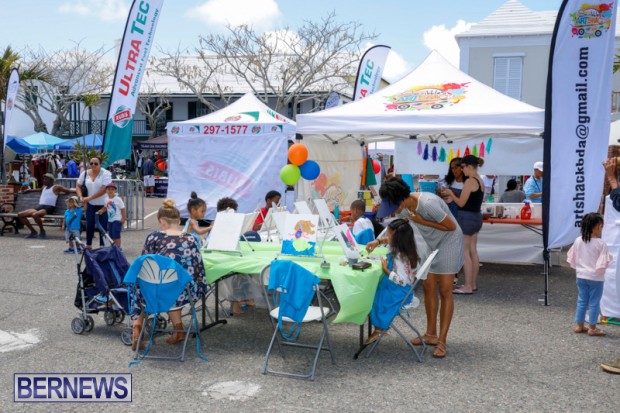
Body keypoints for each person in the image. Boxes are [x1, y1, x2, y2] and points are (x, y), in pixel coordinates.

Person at [367, 176, 464, 358]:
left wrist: (419, 219)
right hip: (430, 243)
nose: (394, 211)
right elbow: (400, 235)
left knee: (445, 290)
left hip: (449, 242)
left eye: (394, 206)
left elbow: (451, 227)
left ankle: (442, 341)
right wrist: (379, 241)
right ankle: (431, 334)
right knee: (428, 286)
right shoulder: (403, 208)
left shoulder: (427, 203)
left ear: (402, 199)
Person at [131, 199, 207, 350]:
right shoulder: (190, 239)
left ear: (161, 221)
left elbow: (143, 263)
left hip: (155, 289)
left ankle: (136, 328)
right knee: (176, 285)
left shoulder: (153, 238)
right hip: (182, 293)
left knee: (140, 286)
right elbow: (198, 268)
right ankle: (178, 330)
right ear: (178, 221)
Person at [365, 219, 420, 344]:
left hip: (400, 291)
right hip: (399, 288)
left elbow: (401, 281)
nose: (387, 237)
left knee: (376, 297)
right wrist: (378, 241)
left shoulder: (400, 257)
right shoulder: (405, 250)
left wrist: (386, 270)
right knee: (376, 291)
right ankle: (380, 326)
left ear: (397, 238)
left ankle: (379, 329)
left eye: (389, 235)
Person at [441, 155, 485, 295]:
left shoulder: (470, 181)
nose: (461, 170)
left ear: (469, 166)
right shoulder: (480, 180)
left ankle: (467, 286)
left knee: (465, 253)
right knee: (473, 251)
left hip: (467, 218)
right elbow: (470, 201)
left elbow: (461, 203)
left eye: (463, 167)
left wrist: (450, 193)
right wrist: (452, 197)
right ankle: (472, 284)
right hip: (476, 217)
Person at [566, 212, 612, 337]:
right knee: (594, 302)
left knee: (581, 301)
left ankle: (579, 326)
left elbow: (572, 257)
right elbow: (603, 262)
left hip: (581, 276)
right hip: (595, 278)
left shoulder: (578, 240)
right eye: (601, 227)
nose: (601, 229)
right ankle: (592, 328)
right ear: (597, 226)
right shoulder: (601, 243)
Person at [18, 173, 74, 239]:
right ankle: (33, 232)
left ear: (51, 180)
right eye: (44, 179)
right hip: (40, 207)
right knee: (20, 215)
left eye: (46, 179)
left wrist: (61, 193)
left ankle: (42, 231)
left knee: (35, 215)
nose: (44, 180)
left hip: (49, 208)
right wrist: (29, 190)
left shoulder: (56, 187)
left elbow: (68, 191)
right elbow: (38, 189)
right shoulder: (44, 187)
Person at [76, 156, 112, 249]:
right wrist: (80, 197)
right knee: (89, 224)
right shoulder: (85, 173)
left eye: (96, 163)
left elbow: (104, 189)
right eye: (91, 163)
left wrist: (90, 198)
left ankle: (102, 246)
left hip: (103, 203)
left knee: (103, 225)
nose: (93, 165)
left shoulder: (106, 173)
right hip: (90, 203)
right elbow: (78, 185)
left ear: (100, 164)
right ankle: (89, 245)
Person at [97, 183, 125, 247]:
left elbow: (123, 208)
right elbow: (106, 207)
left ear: (115, 191)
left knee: (116, 235)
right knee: (111, 235)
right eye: (109, 189)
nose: (110, 191)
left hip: (117, 220)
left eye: (112, 189)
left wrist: (123, 218)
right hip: (110, 220)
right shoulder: (106, 199)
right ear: (106, 190)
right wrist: (102, 210)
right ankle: (113, 247)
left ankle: (118, 248)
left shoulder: (118, 199)